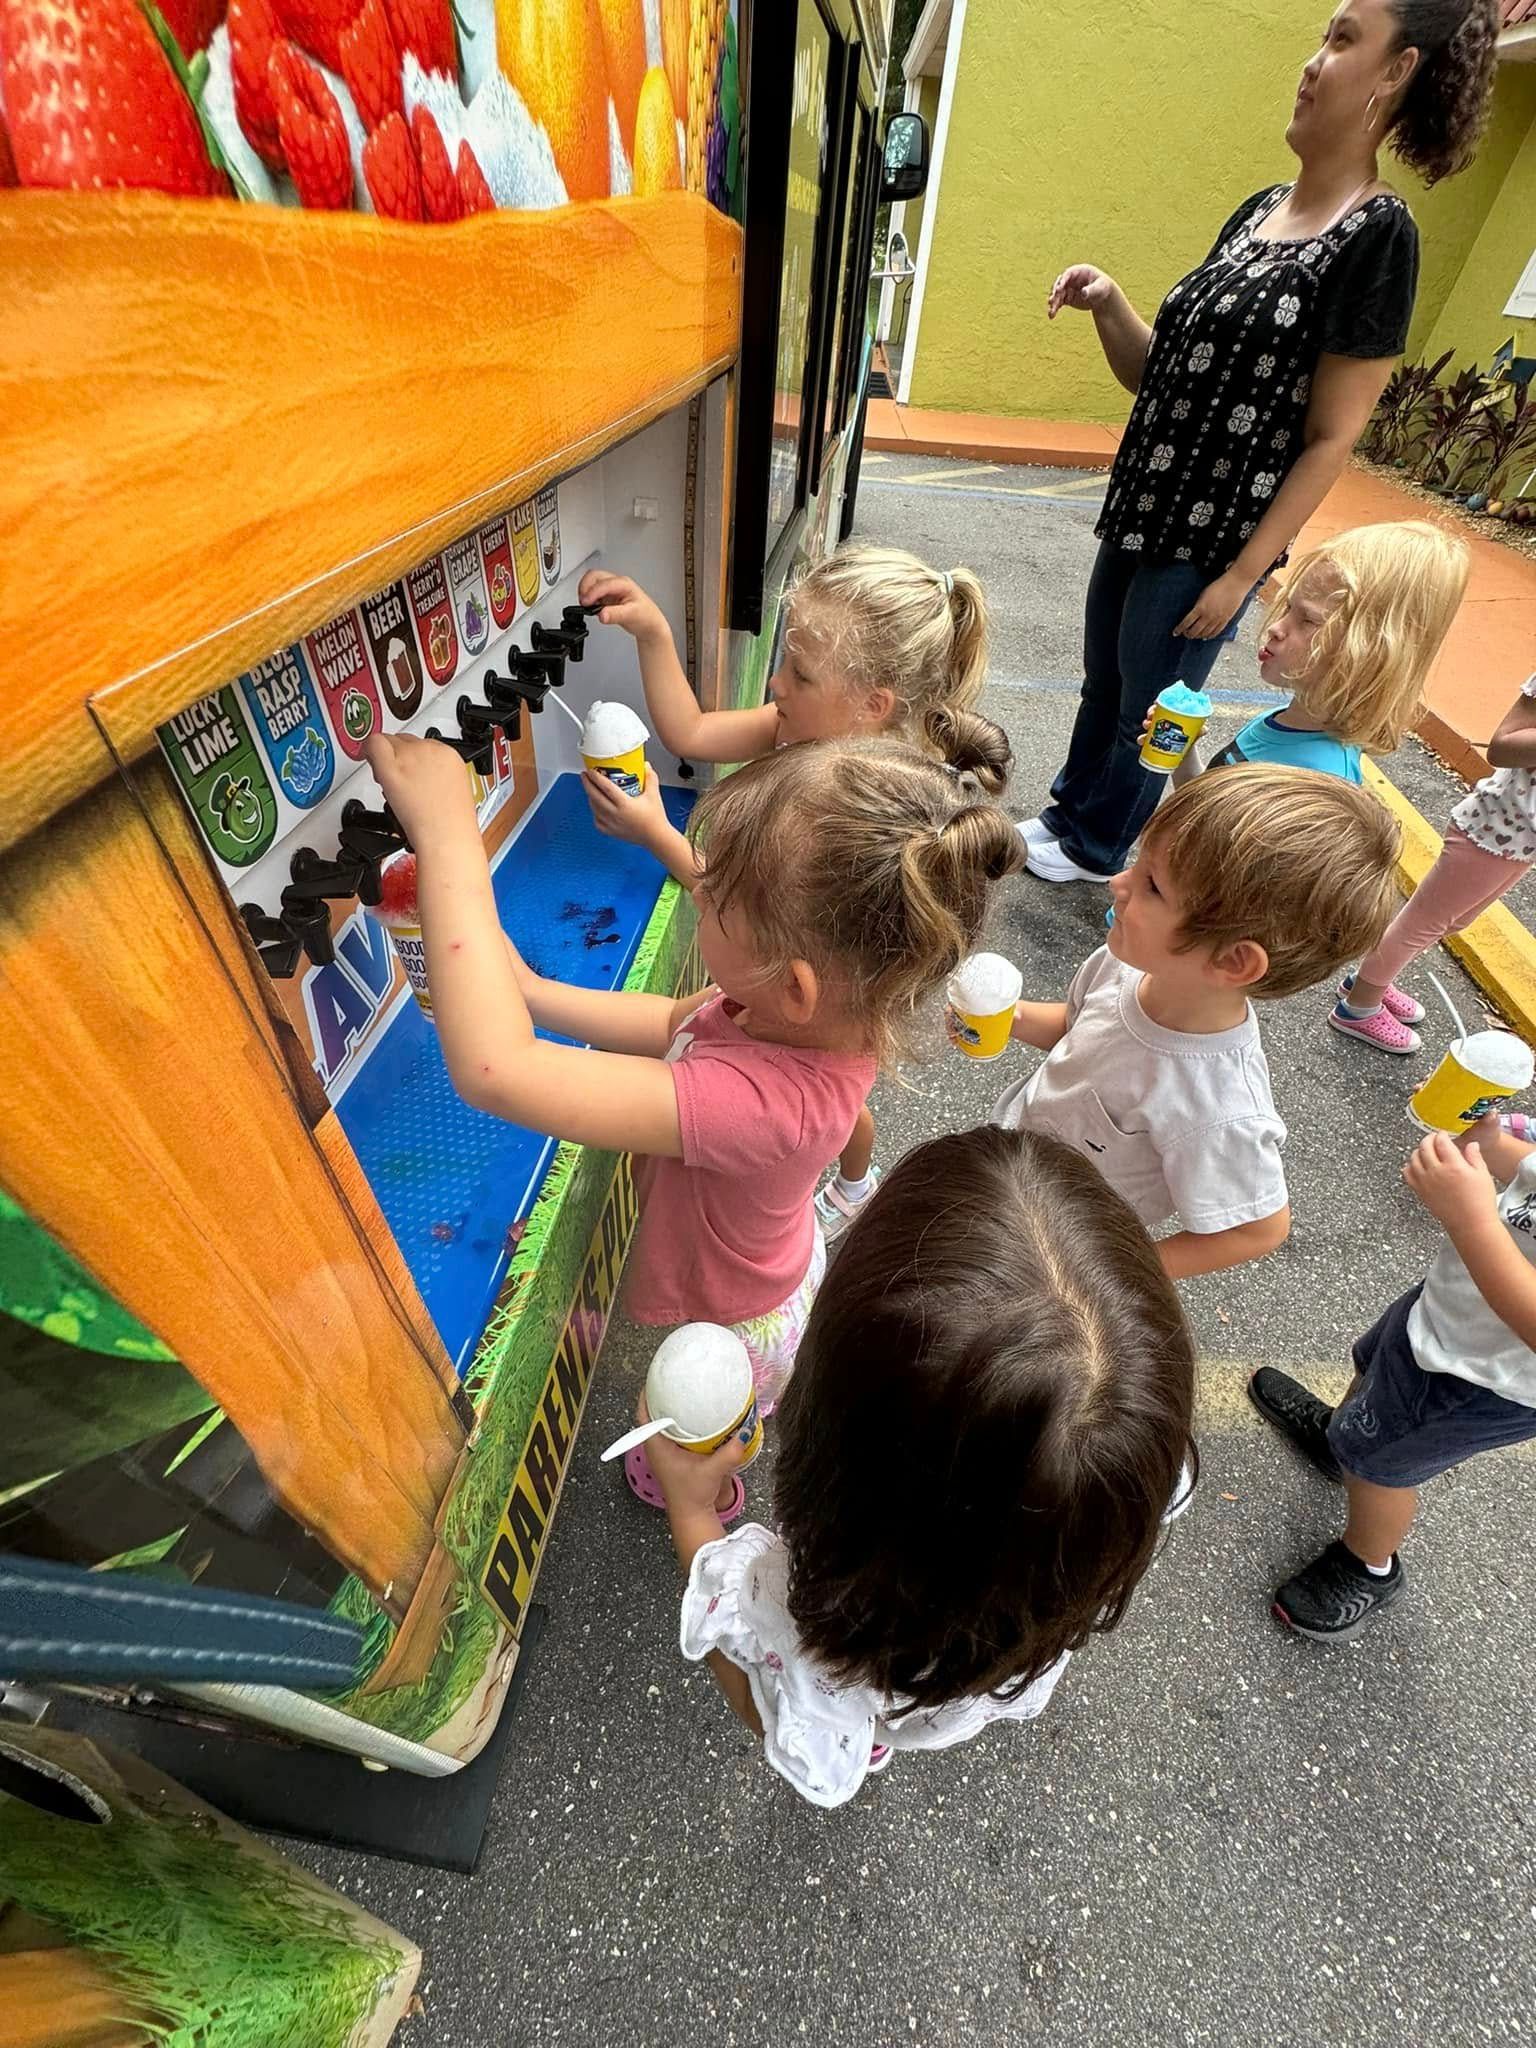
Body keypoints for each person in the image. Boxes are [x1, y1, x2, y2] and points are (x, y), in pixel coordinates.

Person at [361, 730, 1021, 1519]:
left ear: (796, 986)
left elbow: (495, 1072)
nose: (697, 891)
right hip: (774, 1260)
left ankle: (704, 1489)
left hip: (743, 1320)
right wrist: (529, 993)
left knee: (688, 1418)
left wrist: (447, 840)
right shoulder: (799, 1012)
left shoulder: (762, 1103)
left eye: (717, 897)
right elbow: (668, 1022)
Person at [1022, 0, 1499, 888]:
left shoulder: (1378, 236)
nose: (1314, 61)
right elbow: (1158, 376)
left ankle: (1096, 846)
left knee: (1149, 707)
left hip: (1209, 539)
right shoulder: (1258, 211)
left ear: (1397, 71)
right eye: (1323, 36)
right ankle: (1066, 815)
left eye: (1345, 40)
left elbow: (1331, 437)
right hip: (1143, 504)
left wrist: (1242, 575)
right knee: (1103, 685)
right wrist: (1111, 303)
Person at [639, 1124, 1196, 1808]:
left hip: (870, 1660)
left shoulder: (818, 1620)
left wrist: (692, 1510)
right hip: (981, 1665)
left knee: (841, 1696)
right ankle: (874, 1722)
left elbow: (771, 1708)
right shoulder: (1121, 1474)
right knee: (881, 1697)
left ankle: (860, 1724)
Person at [578, 545, 1012, 1238]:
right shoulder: (796, 723)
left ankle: (853, 1185)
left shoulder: (868, 818)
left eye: (800, 673)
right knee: (836, 1099)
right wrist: (653, 630)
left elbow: (743, 903)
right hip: (801, 986)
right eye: (785, 660)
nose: (776, 683)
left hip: (836, 996)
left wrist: (655, 832)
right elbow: (691, 732)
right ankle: (852, 1179)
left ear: (873, 705)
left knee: (837, 1099)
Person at [992, 765, 1400, 1278]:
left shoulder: (1218, 1105)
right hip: (1010, 1169)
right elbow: (1079, 1029)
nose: (1118, 882)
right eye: (1138, 863)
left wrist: (1108, 1272)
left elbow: (1258, 1228)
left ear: (1233, 961)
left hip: (1055, 1245)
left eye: (1152, 886)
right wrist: (1011, 1017)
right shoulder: (1124, 964)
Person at [1251, 1113, 1536, 1640]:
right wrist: (1493, 1146)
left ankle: (1368, 1563)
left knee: (1382, 1465)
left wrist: (1472, 1221)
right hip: (1445, 1311)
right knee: (1371, 1372)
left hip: (1477, 1379)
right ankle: (1340, 1438)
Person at [1331, 669, 1536, 1053]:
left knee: (1455, 920)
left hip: (1522, 841)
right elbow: (1502, 746)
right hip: (1494, 830)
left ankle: (1371, 979)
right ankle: (1359, 1007)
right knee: (1424, 922)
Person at [1198, 520, 1468, 781]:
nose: (1276, 628)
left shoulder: (1319, 783)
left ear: (1367, 652)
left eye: (1308, 620)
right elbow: (1208, 801)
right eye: (1289, 608)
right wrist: (1185, 752)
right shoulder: (1283, 719)